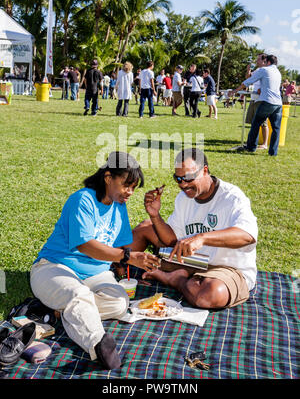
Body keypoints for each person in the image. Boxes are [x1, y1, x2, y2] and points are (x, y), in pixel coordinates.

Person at [30, 152, 160, 369]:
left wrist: (142, 260)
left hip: (95, 273)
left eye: (133, 187)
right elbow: (85, 245)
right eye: (126, 185)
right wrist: (127, 257)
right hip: (54, 267)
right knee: (77, 294)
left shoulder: (119, 206)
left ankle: (61, 308)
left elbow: (122, 246)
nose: (130, 192)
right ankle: (98, 344)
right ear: (108, 177)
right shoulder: (82, 200)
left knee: (120, 304)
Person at [131, 148, 257, 310]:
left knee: (210, 295)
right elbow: (170, 240)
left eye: (189, 177)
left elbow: (247, 236)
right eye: (178, 178)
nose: (183, 184)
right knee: (145, 227)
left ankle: (174, 280)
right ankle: (116, 271)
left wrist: (202, 238)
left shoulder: (232, 197)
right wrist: (155, 216)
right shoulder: (184, 198)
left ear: (205, 170)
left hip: (227, 269)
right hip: (193, 262)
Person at [231, 55, 282, 156]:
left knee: (255, 124)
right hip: (278, 104)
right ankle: (273, 152)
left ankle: (251, 148)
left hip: (267, 101)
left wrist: (234, 91)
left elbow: (248, 82)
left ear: (267, 62)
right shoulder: (278, 72)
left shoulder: (264, 70)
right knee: (276, 129)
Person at [245, 54, 269, 150]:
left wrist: (262, 89)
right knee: (252, 122)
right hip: (254, 98)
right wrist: (248, 70)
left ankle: (265, 143)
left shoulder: (266, 71)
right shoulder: (257, 70)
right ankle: (253, 141)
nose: (256, 61)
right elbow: (248, 78)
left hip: (261, 99)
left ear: (264, 61)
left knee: (263, 123)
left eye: (258, 59)